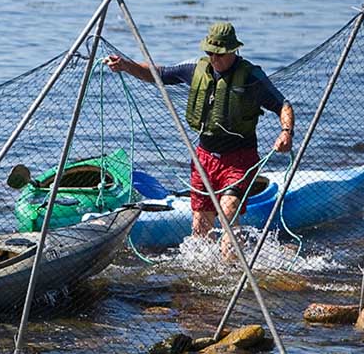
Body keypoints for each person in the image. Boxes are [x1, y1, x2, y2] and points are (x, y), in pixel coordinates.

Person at [105, 22, 295, 250]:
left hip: (239, 159)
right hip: (204, 159)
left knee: (228, 210)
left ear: (232, 50)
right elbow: (158, 74)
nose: (214, 58)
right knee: (200, 226)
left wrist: (286, 132)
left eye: (219, 54)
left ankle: (233, 264)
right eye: (210, 53)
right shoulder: (196, 68)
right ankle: (204, 271)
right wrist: (126, 65)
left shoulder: (251, 77)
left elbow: (283, 105)